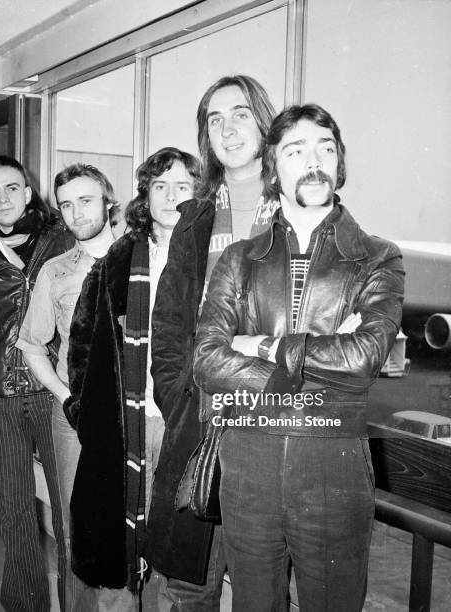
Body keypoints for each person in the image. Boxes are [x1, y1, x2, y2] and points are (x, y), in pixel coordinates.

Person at [193, 103, 405, 611]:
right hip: (248, 463)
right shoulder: (238, 260)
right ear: (273, 168)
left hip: (333, 462)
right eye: (296, 150)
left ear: (340, 162)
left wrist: (261, 345)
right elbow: (205, 361)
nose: (315, 162)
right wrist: (323, 356)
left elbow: (366, 356)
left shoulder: (377, 257)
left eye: (325, 148)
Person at [150, 75, 277, 608]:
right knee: (189, 586)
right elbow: (169, 323)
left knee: (260, 584)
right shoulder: (195, 219)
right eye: (214, 118)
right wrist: (177, 397)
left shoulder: (301, 213)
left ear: (265, 123)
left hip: (274, 422)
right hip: (198, 419)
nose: (227, 128)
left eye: (241, 113)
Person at [62, 147, 201, 609]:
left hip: (188, 427)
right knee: (118, 560)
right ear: (145, 196)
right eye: (160, 186)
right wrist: (86, 415)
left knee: (170, 554)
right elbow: (82, 344)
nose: (171, 196)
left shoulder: (215, 260)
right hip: (126, 427)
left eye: (183, 186)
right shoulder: (119, 261)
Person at [0, 155, 74, 612]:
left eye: (12, 188)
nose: (3, 199)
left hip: (55, 392)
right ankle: (25, 604)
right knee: (16, 510)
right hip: (2, 396)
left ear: (28, 192)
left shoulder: (63, 240)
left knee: (68, 510)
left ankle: (76, 603)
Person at [16, 163, 118, 611]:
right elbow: (31, 344)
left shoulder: (142, 262)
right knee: (77, 526)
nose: (77, 212)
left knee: (131, 524)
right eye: (67, 204)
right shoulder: (56, 271)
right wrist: (66, 397)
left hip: (134, 414)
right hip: (74, 419)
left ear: (108, 201)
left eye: (86, 199)